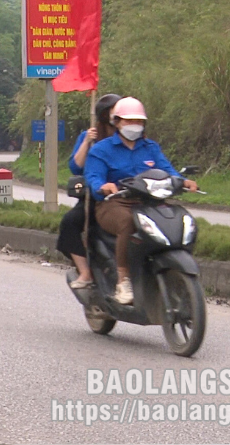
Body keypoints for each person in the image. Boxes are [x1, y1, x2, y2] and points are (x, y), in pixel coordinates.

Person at [84, 97, 197, 305]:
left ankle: (173, 271)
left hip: (149, 203)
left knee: (180, 220)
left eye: (138, 121)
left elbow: (167, 170)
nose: (133, 125)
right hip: (115, 204)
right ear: (116, 122)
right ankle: (123, 281)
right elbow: (93, 177)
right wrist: (103, 185)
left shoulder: (150, 147)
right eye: (128, 121)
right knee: (128, 223)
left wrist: (183, 181)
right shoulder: (102, 149)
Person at [57, 93, 121, 290]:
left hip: (128, 195)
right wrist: (87, 142)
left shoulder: (129, 137)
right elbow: (76, 167)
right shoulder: (90, 137)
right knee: (70, 223)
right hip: (97, 196)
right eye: (114, 113)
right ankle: (85, 271)